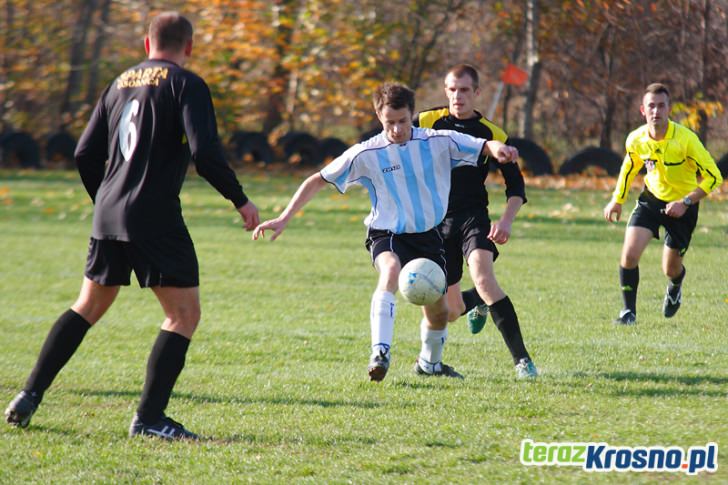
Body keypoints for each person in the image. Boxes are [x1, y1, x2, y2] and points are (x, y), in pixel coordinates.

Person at [4, 11, 260, 440]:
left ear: (147, 45)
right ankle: (150, 419)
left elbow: (85, 154)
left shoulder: (118, 83)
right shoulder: (187, 84)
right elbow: (206, 153)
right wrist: (241, 200)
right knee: (183, 315)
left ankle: (28, 395)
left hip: (108, 213)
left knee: (87, 306)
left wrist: (105, 199)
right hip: (154, 214)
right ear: (189, 47)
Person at [253, 82, 519, 382]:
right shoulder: (368, 152)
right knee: (390, 271)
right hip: (387, 232)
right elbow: (318, 179)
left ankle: (429, 364)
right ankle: (380, 352)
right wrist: (285, 217)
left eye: (402, 121)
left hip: (429, 236)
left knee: (440, 311)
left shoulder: (437, 140)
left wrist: (499, 148)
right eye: (389, 123)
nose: (396, 129)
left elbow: (482, 145)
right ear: (379, 118)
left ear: (412, 114)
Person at [414, 64, 537, 379]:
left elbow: (516, 187)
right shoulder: (427, 122)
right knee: (451, 312)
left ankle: (523, 362)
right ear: (445, 91)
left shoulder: (493, 134)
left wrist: (506, 221)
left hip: (473, 218)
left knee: (484, 278)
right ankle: (477, 303)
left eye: (465, 90)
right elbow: (394, 137)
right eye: (452, 89)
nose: (458, 96)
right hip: (437, 224)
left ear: (477, 92)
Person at [604, 83, 722, 325]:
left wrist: (686, 201)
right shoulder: (636, 139)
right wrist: (618, 199)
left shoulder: (686, 140)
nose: (656, 111)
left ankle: (675, 285)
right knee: (629, 254)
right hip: (651, 200)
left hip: (683, 207)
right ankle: (628, 313)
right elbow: (629, 168)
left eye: (661, 106)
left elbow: (715, 177)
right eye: (651, 106)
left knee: (670, 269)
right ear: (642, 110)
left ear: (669, 109)